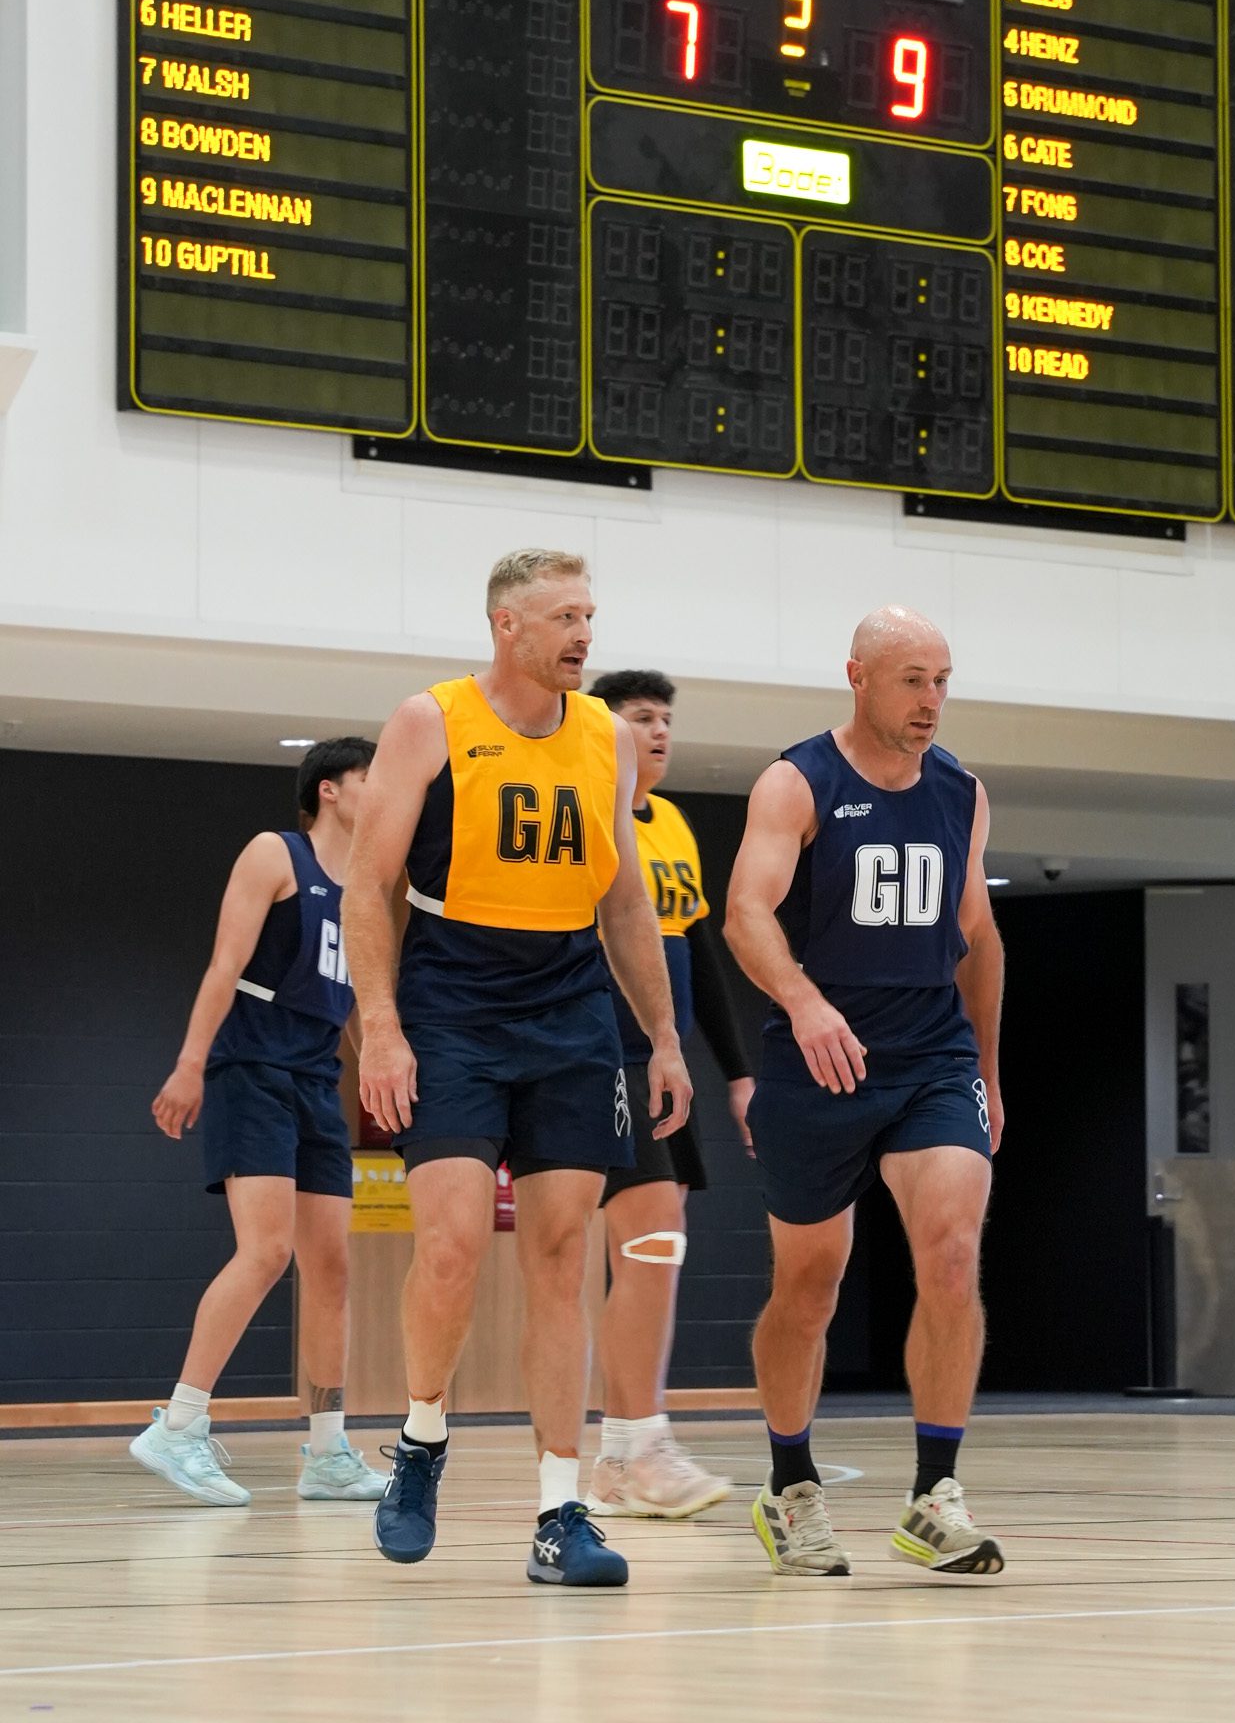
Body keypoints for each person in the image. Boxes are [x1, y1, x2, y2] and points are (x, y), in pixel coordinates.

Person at [342, 548, 691, 1588]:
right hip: (451, 996)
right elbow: (369, 885)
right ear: (507, 626)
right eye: (562, 617)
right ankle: (421, 1435)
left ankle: (558, 1509)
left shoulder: (608, 738)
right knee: (448, 1246)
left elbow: (627, 903)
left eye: (590, 612)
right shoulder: (431, 720)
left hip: (571, 1003)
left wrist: (664, 1035)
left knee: (559, 1258)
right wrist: (383, 1024)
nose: (584, 633)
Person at [724, 607, 1004, 1578]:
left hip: (931, 1056)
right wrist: (801, 1002)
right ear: (859, 676)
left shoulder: (961, 790)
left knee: (955, 1249)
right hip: (821, 1059)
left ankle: (934, 1493)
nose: (931, 699)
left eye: (942, 679)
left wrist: (989, 1071)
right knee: (809, 1288)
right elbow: (745, 912)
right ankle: (789, 1483)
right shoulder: (799, 781)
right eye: (912, 679)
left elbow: (978, 932)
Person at [131, 737, 386, 1507]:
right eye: (371, 776)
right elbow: (222, 966)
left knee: (333, 1266)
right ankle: (179, 1424)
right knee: (267, 1251)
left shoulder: (368, 885)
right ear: (331, 790)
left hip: (316, 1079)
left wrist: (377, 1063)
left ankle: (329, 1450)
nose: (384, 789)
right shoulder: (275, 855)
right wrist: (188, 1064)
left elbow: (347, 1000)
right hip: (252, 1070)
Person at [585, 669, 755, 1521]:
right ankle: (631, 1448)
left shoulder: (675, 824)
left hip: (660, 1066)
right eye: (638, 718)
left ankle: (627, 1452)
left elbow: (700, 955)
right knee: (647, 1244)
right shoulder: (586, 818)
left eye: (664, 720)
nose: (657, 732)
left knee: (653, 1248)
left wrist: (739, 1071)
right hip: (596, 1058)